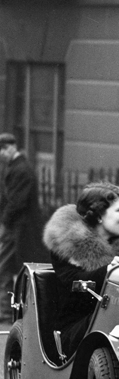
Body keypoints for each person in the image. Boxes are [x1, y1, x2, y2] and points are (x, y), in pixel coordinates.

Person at [42, 182, 119, 356]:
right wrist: (108, 270)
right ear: (99, 216)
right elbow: (73, 283)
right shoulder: (68, 244)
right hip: (77, 328)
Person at [0, 133, 47, 321]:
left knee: (4, 268)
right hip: (18, 229)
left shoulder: (21, 170)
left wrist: (4, 222)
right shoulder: (17, 167)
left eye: (2, 150)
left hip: (19, 229)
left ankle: (5, 310)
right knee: (12, 269)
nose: (1, 155)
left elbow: (16, 202)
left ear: (11, 147)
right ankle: (10, 308)